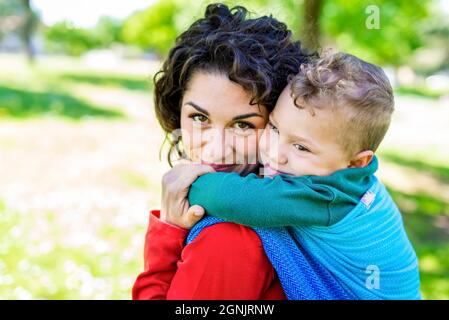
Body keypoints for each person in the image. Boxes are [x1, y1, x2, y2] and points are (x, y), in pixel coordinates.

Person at [132, 3, 335, 299]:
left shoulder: (228, 238)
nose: (216, 148)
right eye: (199, 118)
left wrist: (167, 235)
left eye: (243, 126)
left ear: (280, 125)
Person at [187, 52, 421, 299]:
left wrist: (193, 183)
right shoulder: (346, 177)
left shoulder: (329, 195)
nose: (275, 153)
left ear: (356, 162)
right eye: (275, 128)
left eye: (301, 147)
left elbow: (242, 200)